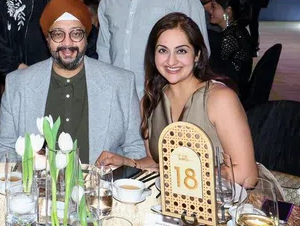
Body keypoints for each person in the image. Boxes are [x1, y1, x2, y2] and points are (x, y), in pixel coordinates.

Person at [96, 12, 258, 184]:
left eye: (181, 51)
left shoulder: (220, 99)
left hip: (220, 197)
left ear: (197, 55)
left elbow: (247, 175)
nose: (171, 61)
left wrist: (184, 172)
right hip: (170, 198)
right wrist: (126, 162)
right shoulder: (150, 102)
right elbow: (157, 163)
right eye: (163, 51)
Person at [0, 0, 145, 164]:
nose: (67, 43)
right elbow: (3, 146)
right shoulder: (18, 84)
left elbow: (136, 149)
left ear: (86, 37)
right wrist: (25, 174)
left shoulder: (121, 83)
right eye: (58, 34)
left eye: (76, 33)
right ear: (47, 38)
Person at [206, 0, 254, 94]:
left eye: (214, 7)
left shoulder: (231, 36)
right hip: (235, 83)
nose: (210, 11)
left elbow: (219, 67)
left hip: (232, 87)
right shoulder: (237, 30)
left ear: (228, 11)